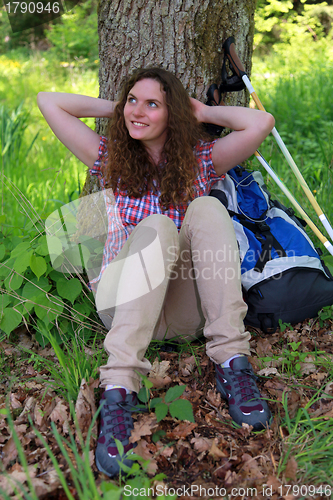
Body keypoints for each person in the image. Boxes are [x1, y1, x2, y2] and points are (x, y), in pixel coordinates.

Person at [37, 67, 275, 477]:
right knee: (160, 225)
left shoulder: (203, 161)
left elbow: (261, 121)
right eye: (133, 100)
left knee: (207, 207)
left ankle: (232, 361)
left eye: (153, 104)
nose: (138, 111)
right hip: (124, 305)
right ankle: (118, 389)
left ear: (174, 115)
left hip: (182, 313)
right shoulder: (109, 157)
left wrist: (200, 111)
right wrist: (122, 110)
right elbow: (49, 101)